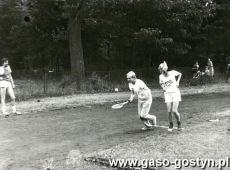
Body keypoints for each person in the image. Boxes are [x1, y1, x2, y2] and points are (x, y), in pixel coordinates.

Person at [158, 61, 183, 131]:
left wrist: (177, 82)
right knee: (169, 111)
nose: (163, 72)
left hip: (175, 93)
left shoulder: (172, 73)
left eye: (163, 70)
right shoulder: (161, 76)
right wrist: (163, 87)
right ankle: (171, 124)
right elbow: (161, 83)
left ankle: (179, 123)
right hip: (167, 94)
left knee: (174, 111)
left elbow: (180, 74)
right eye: (161, 71)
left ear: (166, 69)